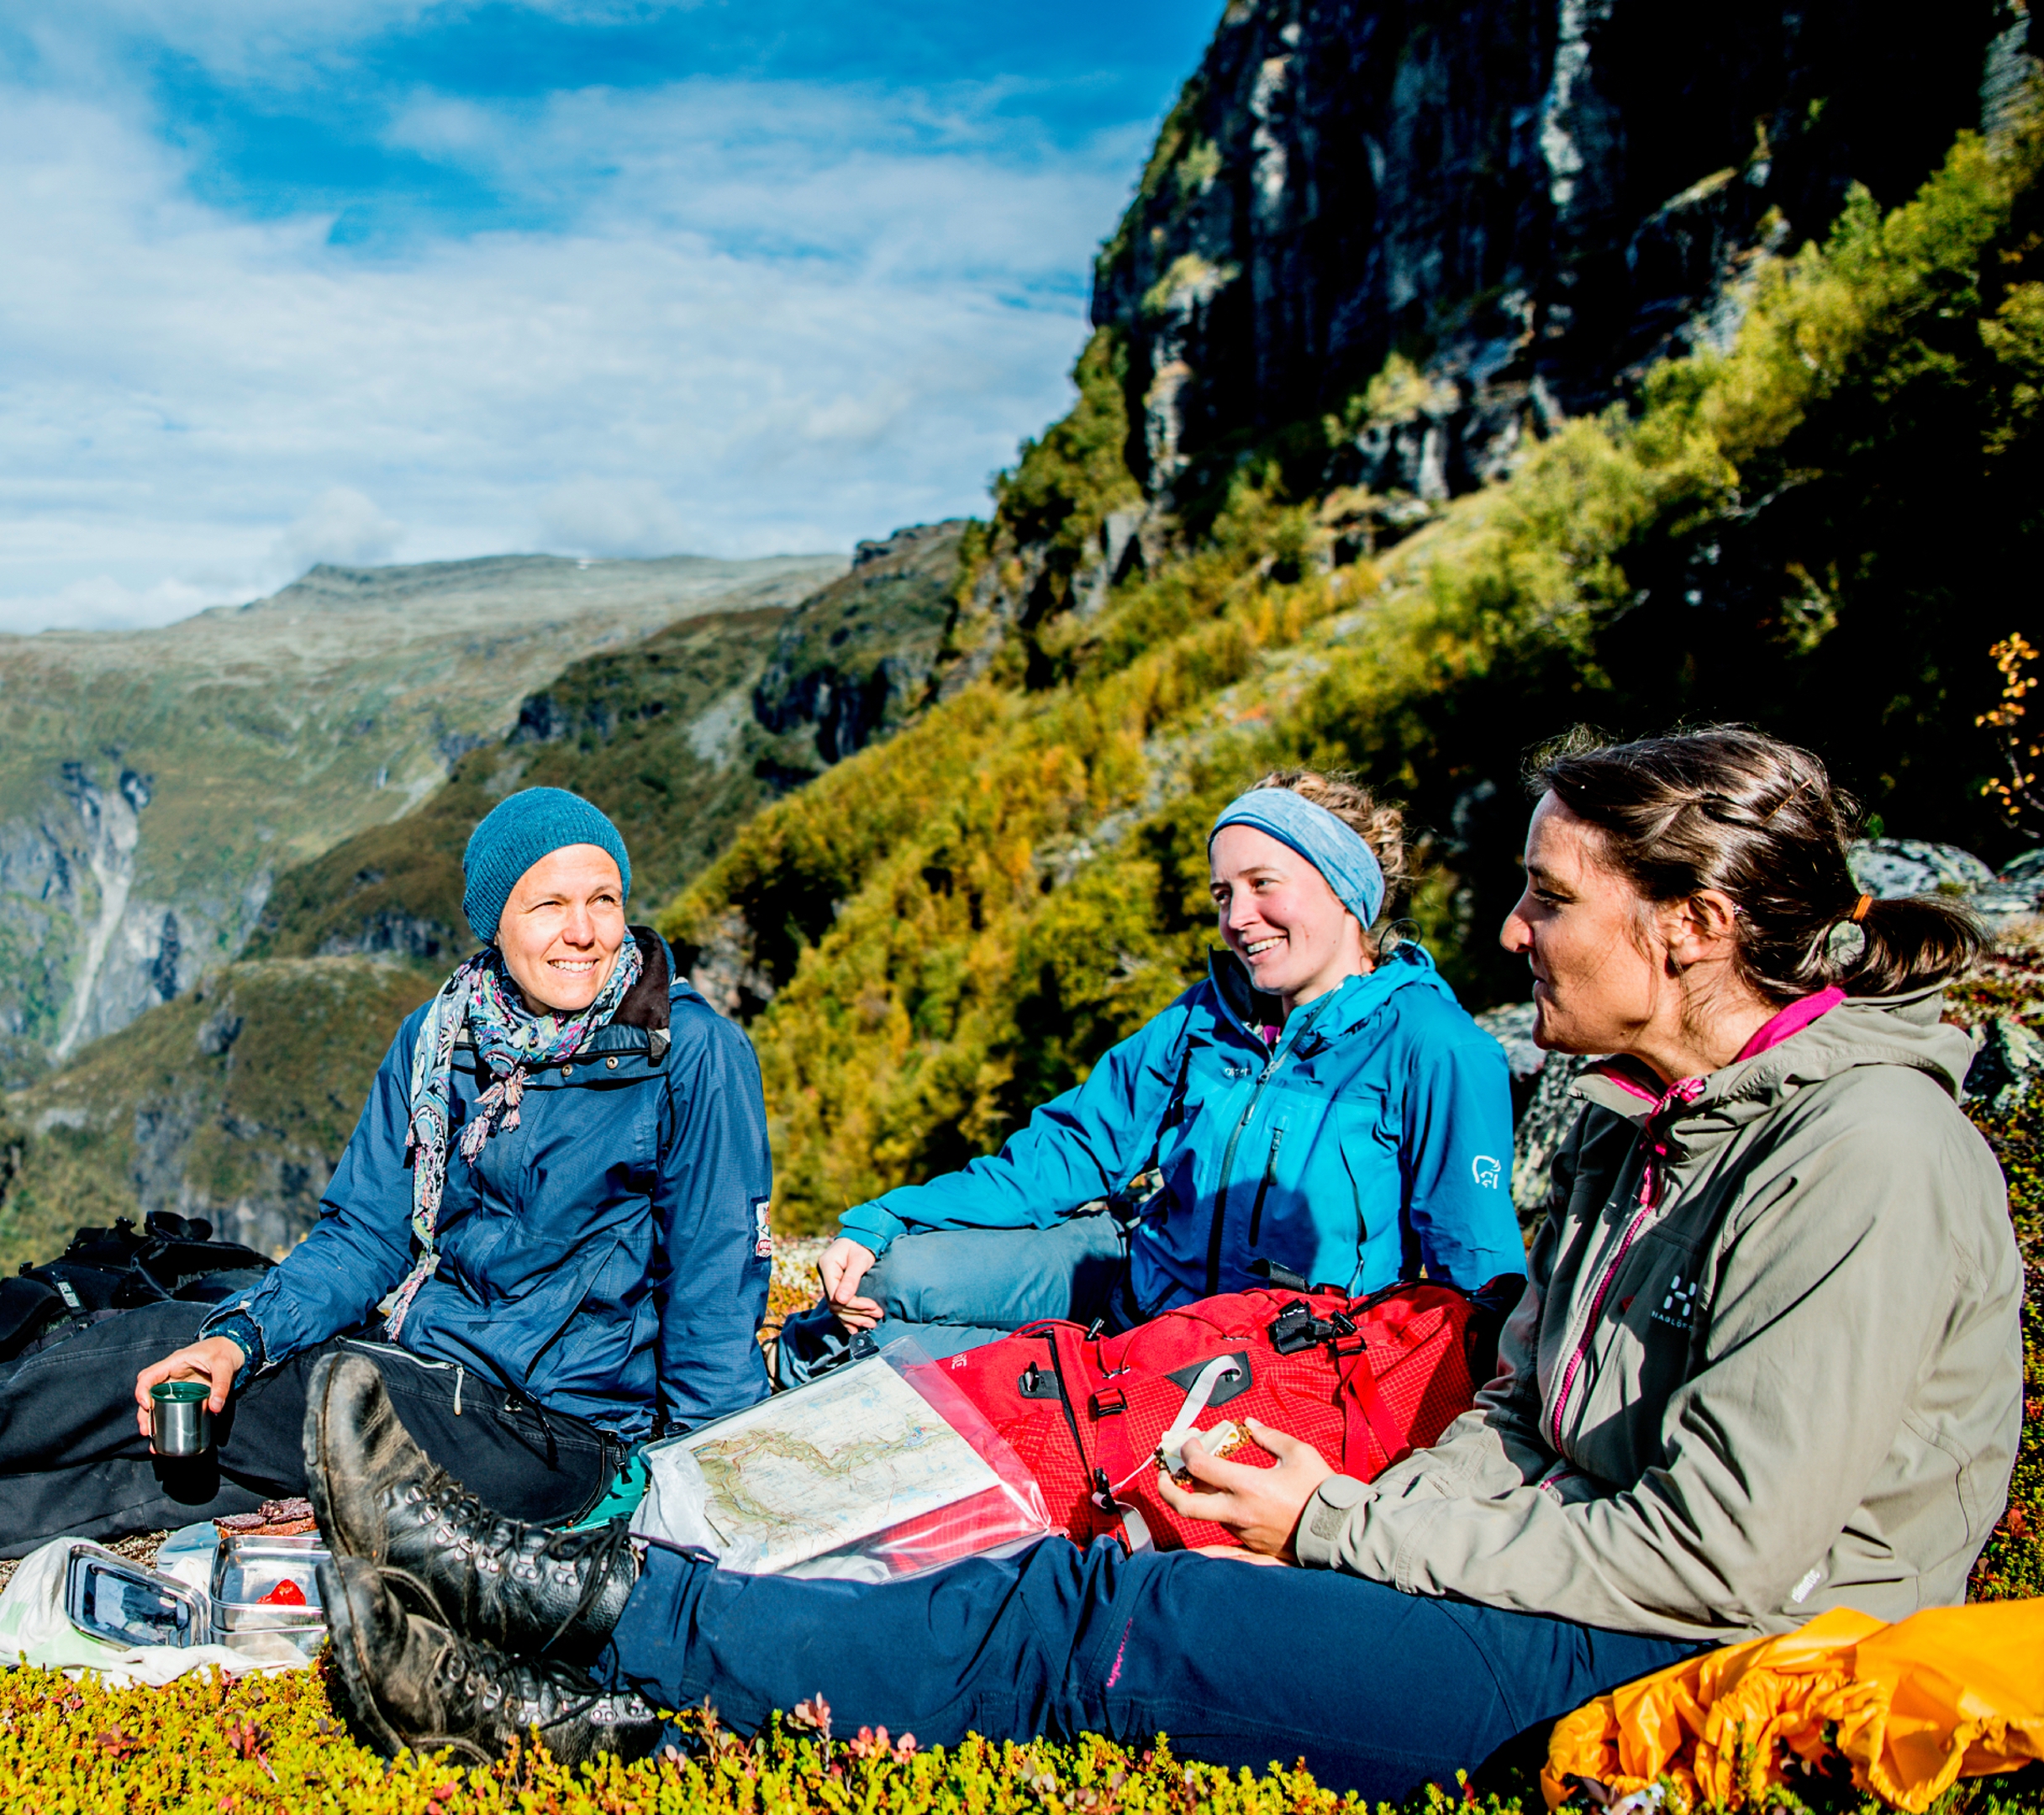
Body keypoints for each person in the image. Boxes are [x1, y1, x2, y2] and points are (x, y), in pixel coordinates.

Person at [302, 727, 2023, 1803]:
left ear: (1691, 927)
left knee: (1109, 1627)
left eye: (1549, 900)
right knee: (1047, 1519)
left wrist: (1342, 1526)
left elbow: (1716, 1552)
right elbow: (1526, 1411)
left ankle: (571, 1607)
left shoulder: (1859, 1154)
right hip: (1536, 1576)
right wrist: (1364, 1510)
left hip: (1695, 1668)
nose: (1512, 934)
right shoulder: (1646, 1122)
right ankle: (565, 1701)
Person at [0, 786, 777, 1581]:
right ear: (494, 924)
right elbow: (364, 1239)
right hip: (431, 1373)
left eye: (605, 899)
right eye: (552, 904)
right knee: (173, 1458)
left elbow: (717, 1301)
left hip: (558, 1438)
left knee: (203, 1379)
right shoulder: (442, 1043)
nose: (585, 932)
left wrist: (701, 1507)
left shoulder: (692, 1058)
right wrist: (243, 1335)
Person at [776, 770, 1527, 1382]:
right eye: (1223, 895)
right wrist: (889, 1217)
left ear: (1344, 888)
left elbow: (1475, 1282)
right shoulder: (1208, 1015)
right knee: (880, 1288)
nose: (1238, 919)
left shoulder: (1436, 1047)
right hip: (1132, 1289)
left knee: (907, 1375)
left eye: (1264, 885)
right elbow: (1070, 1151)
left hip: (1264, 1366)